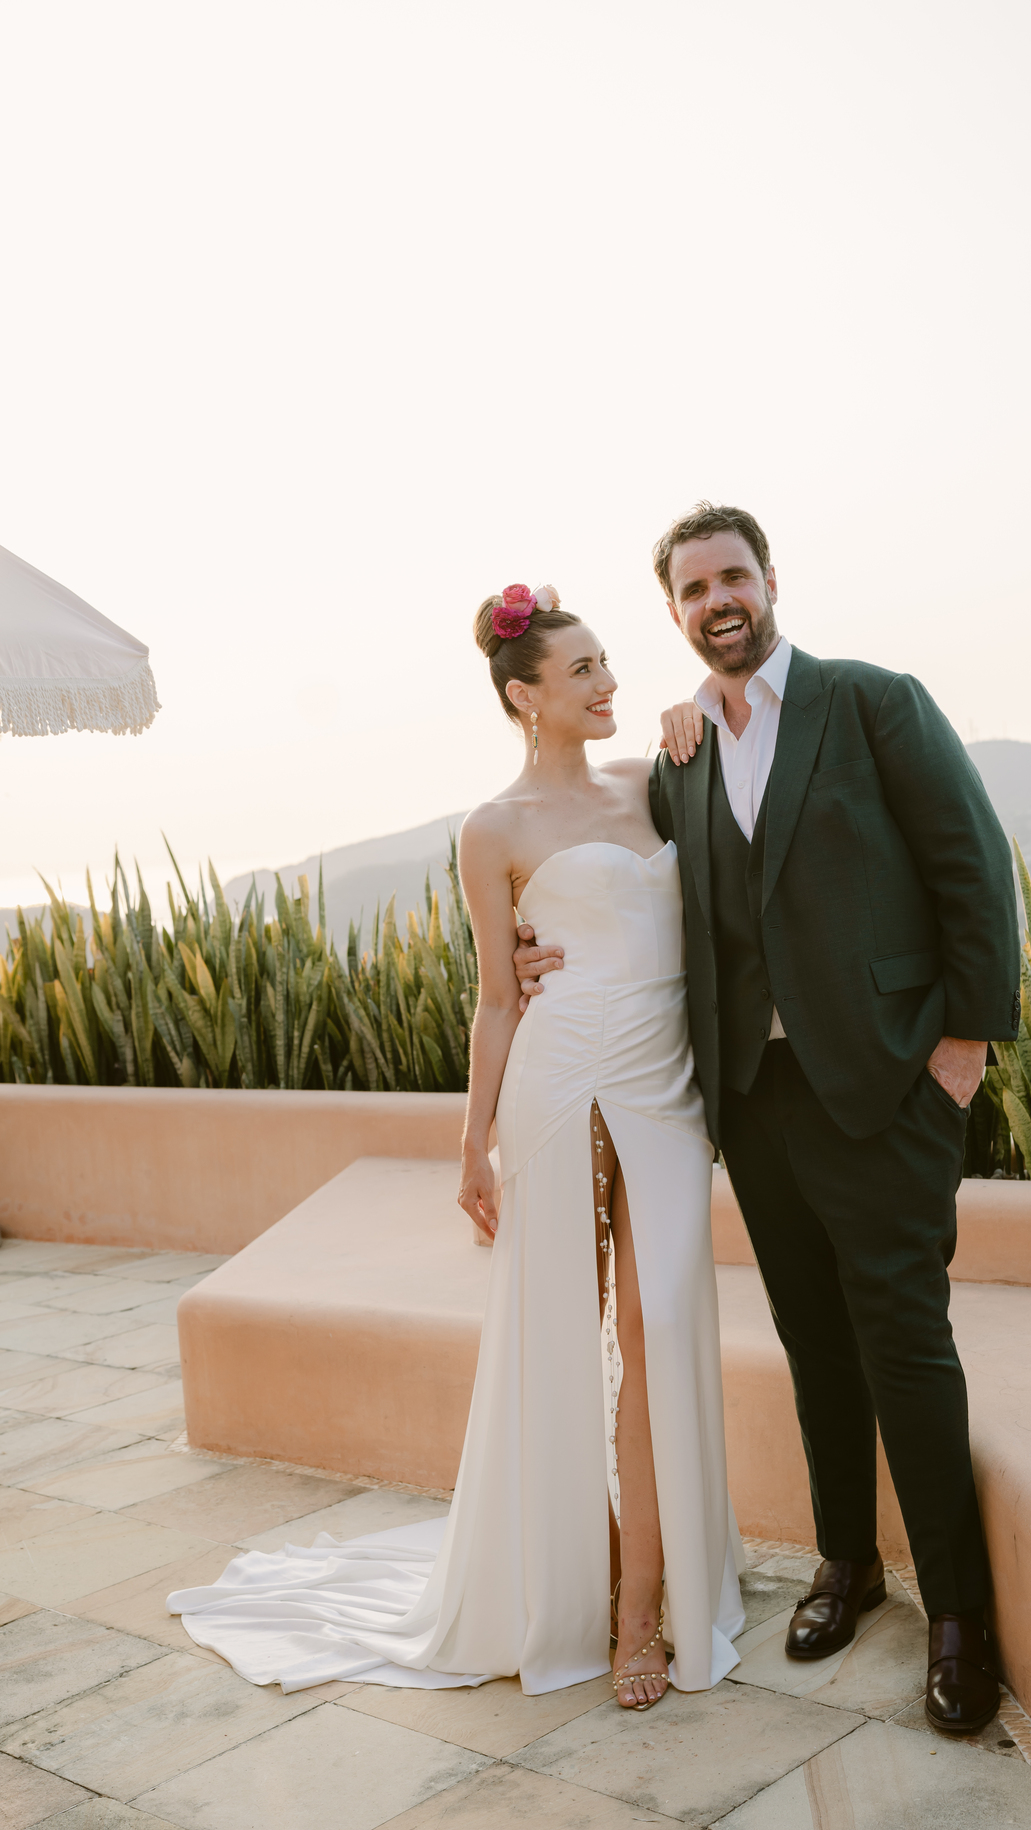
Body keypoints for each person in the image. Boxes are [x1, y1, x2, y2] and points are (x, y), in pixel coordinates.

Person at [168, 583, 744, 1710]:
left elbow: (727, 792)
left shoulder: (655, 781)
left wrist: (690, 705)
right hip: (556, 1080)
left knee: (661, 1323)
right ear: (524, 695)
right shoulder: (495, 828)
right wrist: (469, 1142)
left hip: (665, 1089)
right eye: (581, 670)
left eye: (606, 662)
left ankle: (651, 1601)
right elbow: (495, 995)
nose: (605, 681)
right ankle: (595, 1598)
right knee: (557, 1339)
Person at [516, 506, 1020, 1734]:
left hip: (888, 1088)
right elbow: (615, 876)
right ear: (678, 612)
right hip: (755, 1098)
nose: (716, 601)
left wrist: (960, 1049)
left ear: (769, 582)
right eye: (692, 590)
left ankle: (960, 1615)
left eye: (731, 576)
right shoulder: (678, 755)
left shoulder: (871, 702)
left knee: (904, 1337)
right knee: (814, 1341)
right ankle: (845, 1564)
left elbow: (973, 861)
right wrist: (541, 958)